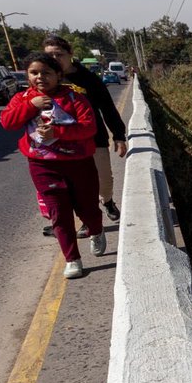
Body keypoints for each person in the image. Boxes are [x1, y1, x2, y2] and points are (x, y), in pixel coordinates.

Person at [0, 54, 105, 279]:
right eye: (34, 73)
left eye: (46, 73)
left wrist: (58, 132)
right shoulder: (23, 98)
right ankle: (72, 259)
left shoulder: (75, 98)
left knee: (88, 208)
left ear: (58, 75)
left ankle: (96, 230)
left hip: (79, 163)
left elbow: (89, 128)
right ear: (27, 75)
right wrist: (30, 106)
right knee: (59, 213)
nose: (40, 77)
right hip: (42, 165)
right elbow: (8, 122)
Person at [41, 36, 127, 238]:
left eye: (59, 54)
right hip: (58, 143)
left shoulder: (88, 79)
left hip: (92, 140)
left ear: (70, 55)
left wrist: (119, 136)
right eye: (49, 55)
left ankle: (107, 201)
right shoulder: (46, 80)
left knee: (103, 179)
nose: (54, 58)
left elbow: (107, 107)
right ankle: (75, 224)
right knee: (68, 188)